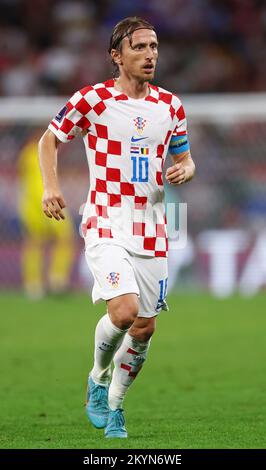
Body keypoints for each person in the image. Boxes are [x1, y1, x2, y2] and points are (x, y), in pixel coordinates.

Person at [38, 16, 195, 438]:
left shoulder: (170, 106)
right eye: (140, 47)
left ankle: (116, 405)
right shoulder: (93, 100)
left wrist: (186, 167)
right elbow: (49, 139)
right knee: (123, 312)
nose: (150, 55)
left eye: (154, 47)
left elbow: (183, 157)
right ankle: (97, 376)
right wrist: (50, 187)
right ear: (116, 55)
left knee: (144, 327)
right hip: (105, 218)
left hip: (152, 226)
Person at [18, 129, 75, 299]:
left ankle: (34, 284)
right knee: (64, 238)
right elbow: (38, 184)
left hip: (31, 204)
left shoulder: (26, 153)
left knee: (35, 243)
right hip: (44, 203)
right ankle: (56, 280)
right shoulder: (38, 150)